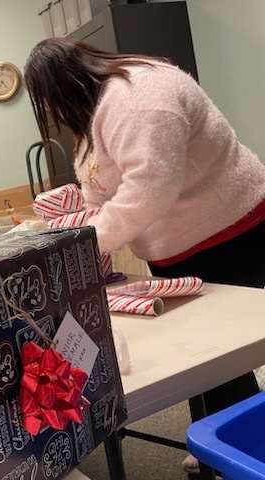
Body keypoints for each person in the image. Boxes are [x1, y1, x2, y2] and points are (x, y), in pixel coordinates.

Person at [24, 37, 265, 474]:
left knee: (231, 344)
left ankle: (235, 445)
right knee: (208, 350)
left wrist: (88, 242)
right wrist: (75, 233)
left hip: (230, 232)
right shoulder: (98, 112)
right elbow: (98, 190)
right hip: (179, 248)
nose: (55, 114)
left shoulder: (139, 97)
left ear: (62, 87)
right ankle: (221, 439)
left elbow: (148, 189)